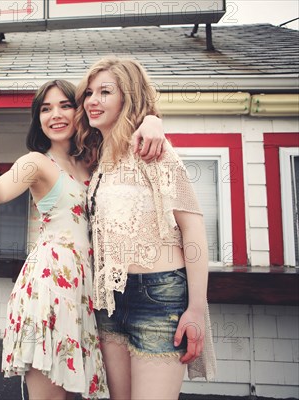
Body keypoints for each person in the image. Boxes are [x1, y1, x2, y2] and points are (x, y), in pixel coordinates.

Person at [0, 79, 164, 400]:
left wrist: (152, 120)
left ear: (80, 109)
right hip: (49, 288)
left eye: (65, 105)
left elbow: (131, 114)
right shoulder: (37, 162)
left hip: (86, 292)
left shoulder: (93, 160)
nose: (56, 114)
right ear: (38, 118)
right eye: (46, 108)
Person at [76, 57, 217, 400]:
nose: (93, 100)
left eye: (105, 92)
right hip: (109, 299)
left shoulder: (154, 149)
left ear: (128, 96)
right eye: (89, 92)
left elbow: (193, 231)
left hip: (159, 296)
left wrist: (196, 309)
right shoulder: (99, 157)